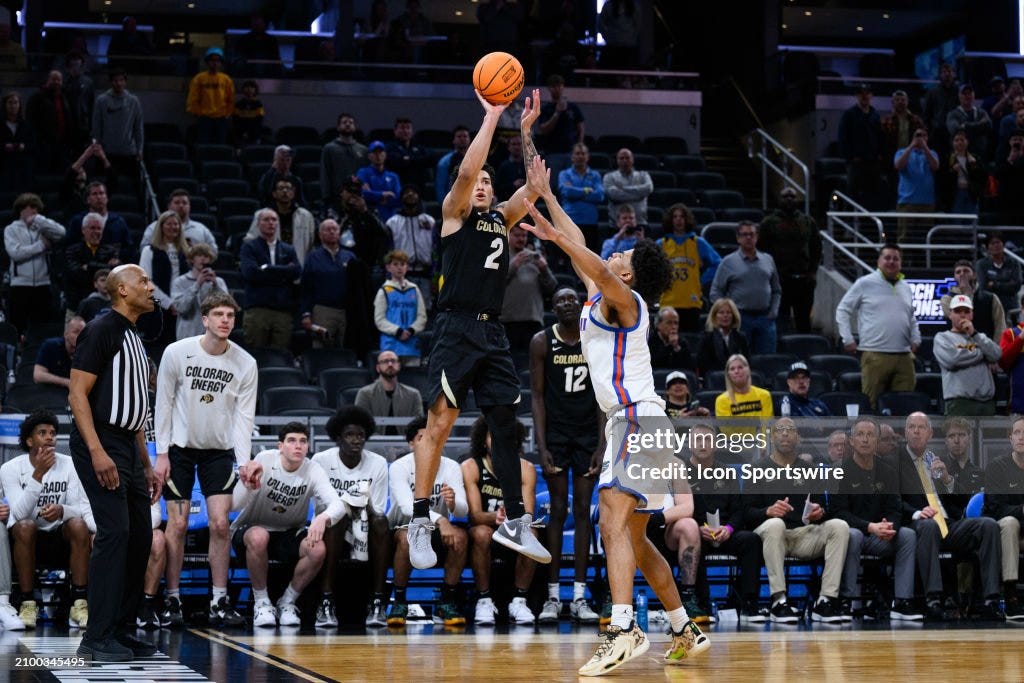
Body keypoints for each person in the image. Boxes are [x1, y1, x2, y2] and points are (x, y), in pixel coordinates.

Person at [520, 169, 709, 674]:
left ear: (628, 275)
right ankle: (683, 627)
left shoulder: (625, 300)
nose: (613, 255)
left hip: (636, 421)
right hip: (641, 424)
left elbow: (590, 263)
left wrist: (553, 235)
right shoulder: (604, 292)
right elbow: (583, 249)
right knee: (637, 539)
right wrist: (547, 198)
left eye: (622, 257)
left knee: (609, 519)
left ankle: (624, 628)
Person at [404, 89, 550, 571]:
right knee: (440, 426)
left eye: (490, 180)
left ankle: (516, 519)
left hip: (492, 334)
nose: (483, 184)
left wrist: (524, 131)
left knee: (505, 427)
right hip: (455, 327)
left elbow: (531, 189)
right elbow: (467, 172)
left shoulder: (500, 218)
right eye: (479, 181)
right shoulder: (455, 212)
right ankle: (421, 518)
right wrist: (492, 116)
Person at [68, 264, 160, 661]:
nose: (150, 287)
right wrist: (96, 450)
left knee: (140, 537)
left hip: (127, 445)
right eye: (143, 281)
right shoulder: (102, 328)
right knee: (115, 533)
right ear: (122, 290)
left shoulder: (135, 336)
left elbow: (136, 409)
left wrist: (146, 463)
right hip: (101, 440)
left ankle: (120, 630)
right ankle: (96, 637)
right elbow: (77, 395)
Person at [154, 291, 257, 628]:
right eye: (219, 314)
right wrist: (162, 453)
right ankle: (172, 599)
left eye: (231, 315)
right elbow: (164, 404)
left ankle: (219, 599)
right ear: (205, 319)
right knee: (179, 524)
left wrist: (244, 462)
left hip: (218, 451)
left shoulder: (245, 363)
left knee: (221, 524)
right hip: (180, 450)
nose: (226, 320)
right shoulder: (177, 352)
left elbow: (244, 418)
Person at [530, 288, 603, 623]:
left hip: (588, 434)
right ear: (553, 308)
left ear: (582, 304)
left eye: (572, 299)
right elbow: (537, 398)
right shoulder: (541, 341)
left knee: (583, 512)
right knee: (557, 510)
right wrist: (542, 446)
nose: (567, 304)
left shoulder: (594, 339)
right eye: (559, 300)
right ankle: (552, 596)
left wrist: (602, 444)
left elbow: (604, 394)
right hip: (557, 435)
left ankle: (579, 596)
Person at [230, 423, 345, 627]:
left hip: (288, 533)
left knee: (317, 549)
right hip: (250, 530)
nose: (298, 446)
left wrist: (322, 518)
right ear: (280, 446)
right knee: (259, 536)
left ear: (308, 447)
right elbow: (234, 504)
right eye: (292, 441)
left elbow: (338, 504)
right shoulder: (264, 460)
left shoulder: (313, 469)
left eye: (303, 441)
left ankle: (287, 602)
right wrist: (247, 486)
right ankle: (262, 603)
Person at [898, 412, 1003, 620]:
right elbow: (892, 501)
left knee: (988, 525)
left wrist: (947, 480)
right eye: (912, 427)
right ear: (905, 432)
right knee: (928, 525)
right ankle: (934, 598)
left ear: (930, 434)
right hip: (919, 522)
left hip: (948, 523)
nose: (917, 431)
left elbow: (961, 503)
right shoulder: (895, 462)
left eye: (921, 427)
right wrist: (917, 512)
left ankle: (990, 599)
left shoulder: (934, 460)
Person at [745, 418, 851, 622]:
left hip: (804, 535)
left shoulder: (809, 469)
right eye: (780, 430)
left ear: (798, 438)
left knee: (839, 526)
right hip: (770, 535)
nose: (785, 433)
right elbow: (746, 513)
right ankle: (779, 600)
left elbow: (825, 509)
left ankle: (825, 600)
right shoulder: (756, 468)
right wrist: (768, 511)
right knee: (776, 524)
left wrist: (819, 513)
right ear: (772, 437)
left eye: (790, 430)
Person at [3, 409, 94, 629]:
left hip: (59, 538)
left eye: (53, 432)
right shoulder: (10, 469)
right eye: (42, 433)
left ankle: (78, 604)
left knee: (79, 525)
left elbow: (79, 509)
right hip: (25, 541)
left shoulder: (69, 465)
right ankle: (27, 603)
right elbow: (19, 513)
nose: (50, 437)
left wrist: (62, 510)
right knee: (25, 526)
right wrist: (38, 475)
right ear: (29, 440)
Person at [832, 417, 921, 620]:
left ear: (877, 440)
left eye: (870, 435)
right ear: (851, 441)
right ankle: (846, 600)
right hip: (856, 534)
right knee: (851, 534)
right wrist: (870, 527)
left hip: (881, 536)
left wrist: (890, 528)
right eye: (860, 435)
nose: (865, 439)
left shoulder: (888, 471)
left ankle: (902, 601)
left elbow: (895, 508)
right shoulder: (840, 471)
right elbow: (839, 513)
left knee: (907, 534)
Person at [311, 407, 391, 629]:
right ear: (338, 438)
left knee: (381, 523)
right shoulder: (321, 460)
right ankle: (325, 600)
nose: (356, 441)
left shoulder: (377, 463)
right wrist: (346, 507)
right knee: (336, 518)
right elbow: (320, 506)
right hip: (331, 526)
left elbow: (378, 508)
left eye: (360, 436)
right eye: (349, 435)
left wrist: (355, 511)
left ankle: (378, 601)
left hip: (364, 524)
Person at [387, 417, 469, 627]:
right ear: (411, 444)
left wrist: (452, 503)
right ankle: (400, 601)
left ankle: (446, 601)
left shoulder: (450, 467)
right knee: (407, 538)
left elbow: (462, 510)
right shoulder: (399, 467)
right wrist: (441, 519)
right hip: (401, 529)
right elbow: (407, 507)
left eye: (434, 438)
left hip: (436, 532)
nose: (429, 443)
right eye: (422, 439)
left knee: (460, 538)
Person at [462, 416, 540, 626]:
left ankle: (519, 600)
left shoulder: (525, 468)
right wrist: (494, 517)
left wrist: (512, 519)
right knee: (481, 532)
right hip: (484, 529)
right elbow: (475, 515)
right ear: (482, 439)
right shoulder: (471, 466)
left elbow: (528, 514)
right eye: (492, 435)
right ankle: (484, 600)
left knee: (531, 534)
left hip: (514, 528)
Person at [835, 244, 920, 408]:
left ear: (901, 263)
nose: (891, 262)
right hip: (874, 355)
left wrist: (916, 338)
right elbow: (842, 310)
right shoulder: (864, 283)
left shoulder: (906, 287)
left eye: (896, 258)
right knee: (871, 405)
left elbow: (911, 316)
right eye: (887, 257)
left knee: (906, 406)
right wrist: (847, 338)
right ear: (879, 261)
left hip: (904, 356)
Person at [709, 221, 782, 355]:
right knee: (740, 359)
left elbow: (776, 290)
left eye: (752, 234)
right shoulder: (728, 262)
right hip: (740, 319)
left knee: (767, 360)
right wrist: (727, 313)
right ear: (738, 238)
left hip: (766, 318)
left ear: (757, 237)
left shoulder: (768, 259)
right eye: (744, 234)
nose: (748, 237)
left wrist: (774, 311)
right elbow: (715, 292)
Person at [757, 189, 819, 334]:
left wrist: (813, 271)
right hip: (780, 279)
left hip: (804, 279)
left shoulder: (807, 222)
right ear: (780, 199)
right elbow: (762, 250)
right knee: (780, 320)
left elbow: (816, 248)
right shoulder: (769, 223)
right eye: (785, 196)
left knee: (804, 320)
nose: (789, 199)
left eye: (793, 196)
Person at [299, 219, 367, 350]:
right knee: (321, 348)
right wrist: (306, 313)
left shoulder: (350, 256)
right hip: (322, 310)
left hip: (347, 311)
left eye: (334, 229)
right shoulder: (313, 257)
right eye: (327, 229)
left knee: (346, 348)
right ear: (320, 234)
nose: (331, 231)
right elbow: (306, 288)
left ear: (339, 233)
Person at [239, 209, 301, 349]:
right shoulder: (249, 247)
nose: (271, 223)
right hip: (258, 309)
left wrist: (267, 268)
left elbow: (296, 272)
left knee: (280, 356)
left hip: (283, 310)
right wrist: (284, 272)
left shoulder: (288, 249)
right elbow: (251, 273)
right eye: (266, 219)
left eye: (274, 219)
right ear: (258, 224)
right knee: (255, 355)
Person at [4, 192, 65, 335]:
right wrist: (41, 246)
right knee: (18, 327)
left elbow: (62, 232)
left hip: (42, 285)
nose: (34, 211)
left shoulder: (41, 227)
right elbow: (16, 254)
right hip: (20, 285)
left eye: (36, 208)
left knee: (41, 328)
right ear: (21, 209)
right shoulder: (11, 229)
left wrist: (39, 219)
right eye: (31, 207)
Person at [983, 415, 1024, 620]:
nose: (1022, 437)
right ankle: (1010, 597)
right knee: (1010, 522)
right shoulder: (997, 466)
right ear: (1010, 438)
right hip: (1000, 527)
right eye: (1017, 432)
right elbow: (996, 509)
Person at [933, 294, 1001, 416]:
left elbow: (996, 355)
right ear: (950, 314)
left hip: (986, 402)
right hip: (959, 402)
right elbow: (953, 360)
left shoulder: (980, 337)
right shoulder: (942, 338)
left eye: (966, 311)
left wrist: (974, 334)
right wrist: (981, 354)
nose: (962, 314)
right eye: (958, 311)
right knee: (959, 435)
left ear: (972, 314)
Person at [657, 203, 721, 331]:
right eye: (675, 217)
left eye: (682, 216)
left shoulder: (697, 242)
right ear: (670, 220)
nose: (679, 220)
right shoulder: (661, 244)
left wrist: (701, 280)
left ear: (687, 219)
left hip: (691, 302)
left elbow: (718, 263)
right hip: (668, 302)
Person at [501, 224, 557, 351]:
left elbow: (552, 288)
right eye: (517, 235)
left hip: (533, 320)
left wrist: (544, 269)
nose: (521, 239)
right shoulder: (500, 255)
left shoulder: (535, 257)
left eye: (524, 235)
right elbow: (493, 285)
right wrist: (513, 266)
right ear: (508, 235)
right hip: (507, 321)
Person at [139, 210, 189, 351]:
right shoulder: (149, 251)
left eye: (176, 224)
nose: (173, 227)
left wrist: (181, 303)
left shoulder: (186, 252)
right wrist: (169, 303)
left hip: (182, 310)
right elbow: (146, 282)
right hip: (157, 311)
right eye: (169, 224)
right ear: (160, 226)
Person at [90, 68, 144, 196]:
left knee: (130, 188)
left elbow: (138, 127)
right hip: (107, 152)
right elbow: (96, 126)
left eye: (121, 80)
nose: (118, 83)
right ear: (111, 82)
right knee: (106, 187)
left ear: (125, 82)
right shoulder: (101, 100)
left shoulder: (133, 101)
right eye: (115, 80)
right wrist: (97, 147)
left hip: (128, 152)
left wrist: (140, 149)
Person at [384, 185, 438, 306]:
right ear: (401, 198)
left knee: (424, 317)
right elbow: (388, 253)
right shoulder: (392, 223)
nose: (410, 194)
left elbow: (436, 252)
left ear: (419, 197)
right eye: (406, 192)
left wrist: (435, 279)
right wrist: (389, 279)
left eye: (414, 192)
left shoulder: (429, 221)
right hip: (401, 277)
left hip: (425, 277)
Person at [244, 178, 317, 266]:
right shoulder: (262, 215)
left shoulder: (305, 216)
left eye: (288, 188)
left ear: (293, 193)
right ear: (274, 194)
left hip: (298, 267)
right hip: (269, 267)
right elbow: (251, 239)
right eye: (281, 188)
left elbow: (311, 244)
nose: (285, 191)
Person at [373, 250, 427, 365]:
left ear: (407, 267)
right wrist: (398, 331)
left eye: (402, 264)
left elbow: (422, 316)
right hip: (391, 345)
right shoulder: (384, 290)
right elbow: (379, 320)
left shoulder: (414, 289)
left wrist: (411, 330)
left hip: (412, 345)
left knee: (412, 380)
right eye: (395, 264)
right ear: (388, 267)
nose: (399, 268)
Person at [838, 84, 883, 210]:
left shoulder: (875, 115)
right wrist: (850, 157)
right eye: (861, 93)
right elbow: (843, 138)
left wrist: (879, 155)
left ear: (871, 95)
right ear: (857, 96)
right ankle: (850, 225)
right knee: (852, 195)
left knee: (873, 196)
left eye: (867, 93)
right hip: (856, 163)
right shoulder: (849, 115)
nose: (864, 96)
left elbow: (879, 137)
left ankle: (870, 226)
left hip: (873, 163)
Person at [170, 244, 228, 340]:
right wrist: (197, 285)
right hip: (187, 336)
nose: (203, 259)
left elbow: (226, 308)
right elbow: (180, 308)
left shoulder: (218, 282)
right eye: (199, 255)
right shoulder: (180, 282)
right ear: (192, 259)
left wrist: (216, 286)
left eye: (206, 256)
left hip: (212, 336)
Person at [892, 127, 940, 244]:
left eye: (923, 136)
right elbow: (898, 166)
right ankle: (904, 260)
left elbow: (935, 166)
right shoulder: (901, 152)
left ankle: (924, 261)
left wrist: (925, 148)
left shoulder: (932, 153)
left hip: (927, 202)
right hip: (907, 201)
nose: (920, 138)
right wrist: (911, 147)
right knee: (904, 236)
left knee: (926, 236)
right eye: (917, 135)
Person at [141, 189, 219, 258]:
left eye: (184, 203)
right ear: (169, 206)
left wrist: (196, 250)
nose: (181, 205)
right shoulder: (154, 227)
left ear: (189, 206)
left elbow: (214, 252)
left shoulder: (201, 229)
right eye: (177, 202)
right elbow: (144, 250)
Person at [939, 260, 1006, 340]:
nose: (962, 274)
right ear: (955, 277)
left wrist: (997, 348)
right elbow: (962, 320)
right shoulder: (947, 299)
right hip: (957, 348)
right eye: (958, 272)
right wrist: (966, 293)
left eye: (966, 271)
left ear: (974, 275)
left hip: (985, 347)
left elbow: (1000, 326)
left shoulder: (991, 298)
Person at [558, 142, 605, 254]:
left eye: (583, 154)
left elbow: (599, 196)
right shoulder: (564, 174)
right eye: (577, 154)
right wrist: (586, 190)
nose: (580, 156)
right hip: (571, 221)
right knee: (570, 256)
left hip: (590, 222)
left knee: (590, 258)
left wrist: (576, 192)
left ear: (587, 157)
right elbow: (567, 192)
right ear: (572, 157)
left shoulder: (595, 175)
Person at [354, 350, 425, 423]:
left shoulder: (413, 394)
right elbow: (360, 424)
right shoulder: (365, 393)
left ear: (399, 366)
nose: (390, 364)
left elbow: (418, 425)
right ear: (378, 368)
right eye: (385, 361)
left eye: (393, 361)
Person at [186, 47, 234, 145]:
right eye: (212, 60)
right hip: (204, 118)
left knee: (220, 144)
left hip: (221, 118)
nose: (215, 63)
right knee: (203, 144)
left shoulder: (226, 79)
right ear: (207, 62)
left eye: (218, 60)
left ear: (221, 63)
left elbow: (231, 99)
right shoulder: (199, 78)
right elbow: (193, 99)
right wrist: (199, 113)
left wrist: (227, 114)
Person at [321, 113, 368, 207]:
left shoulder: (363, 149)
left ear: (355, 127)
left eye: (351, 122)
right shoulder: (329, 148)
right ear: (338, 127)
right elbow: (325, 172)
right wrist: (326, 196)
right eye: (344, 122)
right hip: (337, 196)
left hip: (358, 196)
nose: (348, 124)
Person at [938, 129, 989, 214]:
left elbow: (983, 176)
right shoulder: (947, 158)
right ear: (952, 143)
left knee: (971, 220)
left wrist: (974, 165)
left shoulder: (974, 158)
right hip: (955, 194)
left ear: (967, 142)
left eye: (962, 140)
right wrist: (952, 170)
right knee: (956, 221)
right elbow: (942, 178)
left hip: (970, 193)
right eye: (956, 140)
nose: (959, 142)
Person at [713, 354, 773, 425]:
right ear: (728, 375)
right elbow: (728, 430)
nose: (736, 371)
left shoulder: (764, 395)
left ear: (748, 370)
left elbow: (767, 426)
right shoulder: (721, 401)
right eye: (732, 369)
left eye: (740, 367)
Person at [976, 231, 1022, 322]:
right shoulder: (981, 264)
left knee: (1012, 335)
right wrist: (1007, 284)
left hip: (1011, 307)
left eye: (998, 242)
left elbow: (1017, 285)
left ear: (1003, 245)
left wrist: (994, 284)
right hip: (990, 308)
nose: (996, 245)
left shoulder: (1014, 263)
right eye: (992, 243)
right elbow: (984, 287)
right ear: (987, 247)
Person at [696, 298, 749, 376]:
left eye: (729, 313)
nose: (725, 316)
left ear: (733, 316)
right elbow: (702, 364)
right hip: (715, 378)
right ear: (714, 316)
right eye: (721, 313)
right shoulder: (706, 338)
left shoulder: (740, 337)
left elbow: (746, 362)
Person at [603, 148, 653, 227]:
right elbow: (613, 195)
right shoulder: (609, 177)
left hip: (640, 223)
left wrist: (623, 188)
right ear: (617, 160)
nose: (625, 160)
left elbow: (648, 189)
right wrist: (639, 195)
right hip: (616, 225)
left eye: (627, 157)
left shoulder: (643, 175)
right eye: (621, 158)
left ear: (632, 159)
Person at [33, 317, 86, 389]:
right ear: (66, 334)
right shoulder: (51, 346)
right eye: (76, 332)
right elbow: (38, 375)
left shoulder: (87, 352)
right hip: (48, 391)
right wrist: (66, 382)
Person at [538, 74, 584, 154]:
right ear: (549, 88)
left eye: (559, 86)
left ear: (563, 87)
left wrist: (579, 145)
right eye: (554, 87)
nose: (557, 89)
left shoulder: (572, 107)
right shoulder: (545, 109)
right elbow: (543, 130)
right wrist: (557, 113)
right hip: (552, 151)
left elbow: (581, 128)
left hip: (571, 150)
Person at [357, 141, 402, 222]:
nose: (378, 156)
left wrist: (374, 196)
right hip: (370, 219)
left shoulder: (393, 176)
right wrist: (383, 194)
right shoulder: (363, 172)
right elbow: (363, 194)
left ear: (385, 155)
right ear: (369, 156)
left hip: (390, 220)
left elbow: (399, 199)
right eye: (374, 153)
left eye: (380, 152)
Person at [998, 291, 1024, 413]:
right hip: (1018, 405)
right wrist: (1020, 339)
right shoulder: (1011, 334)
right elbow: (1003, 362)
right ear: (1022, 309)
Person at [434, 125, 472, 203]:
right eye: (459, 136)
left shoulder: (477, 159)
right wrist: (444, 205)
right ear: (453, 140)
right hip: (453, 203)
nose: (462, 139)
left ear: (469, 139)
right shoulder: (444, 162)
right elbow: (440, 187)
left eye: (465, 136)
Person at [232, 79, 264, 146]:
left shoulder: (258, 104)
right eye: (247, 87)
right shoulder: (239, 104)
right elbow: (236, 120)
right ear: (243, 89)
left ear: (255, 90)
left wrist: (250, 132)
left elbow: (259, 120)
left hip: (254, 134)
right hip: (240, 134)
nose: (249, 89)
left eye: (252, 87)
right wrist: (243, 132)